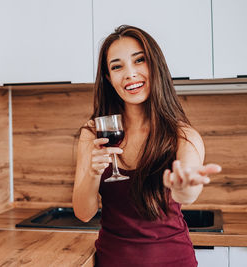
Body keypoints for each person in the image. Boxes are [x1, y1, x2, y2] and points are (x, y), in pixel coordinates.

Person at [72, 25, 222, 267]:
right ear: (109, 78)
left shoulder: (183, 136)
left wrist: (184, 186)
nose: (130, 74)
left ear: (156, 66)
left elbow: (186, 194)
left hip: (173, 261)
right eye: (117, 66)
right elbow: (83, 213)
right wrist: (92, 173)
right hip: (113, 261)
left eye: (139, 60)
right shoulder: (94, 134)